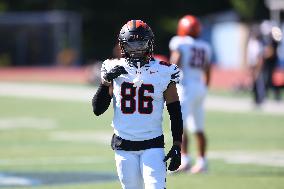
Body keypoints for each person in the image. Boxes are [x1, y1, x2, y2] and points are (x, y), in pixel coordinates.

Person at [92, 19, 183, 189]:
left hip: (152, 144)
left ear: (150, 43)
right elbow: (97, 109)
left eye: (141, 43)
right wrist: (105, 82)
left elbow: (175, 110)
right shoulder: (112, 67)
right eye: (131, 44)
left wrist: (178, 143)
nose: (137, 48)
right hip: (124, 146)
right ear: (122, 45)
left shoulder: (164, 71)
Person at [169, 15, 212, 174]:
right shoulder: (205, 46)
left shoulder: (180, 43)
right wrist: (205, 87)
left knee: (180, 126)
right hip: (199, 87)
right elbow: (207, 69)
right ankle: (202, 161)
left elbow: (175, 62)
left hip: (185, 87)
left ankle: (182, 160)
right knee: (198, 127)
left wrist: (167, 77)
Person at [246, 25, 265, 106]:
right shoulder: (251, 42)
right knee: (253, 83)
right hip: (252, 64)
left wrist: (258, 68)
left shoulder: (259, 43)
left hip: (257, 64)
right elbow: (249, 55)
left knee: (259, 82)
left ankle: (260, 99)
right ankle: (255, 99)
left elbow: (259, 57)